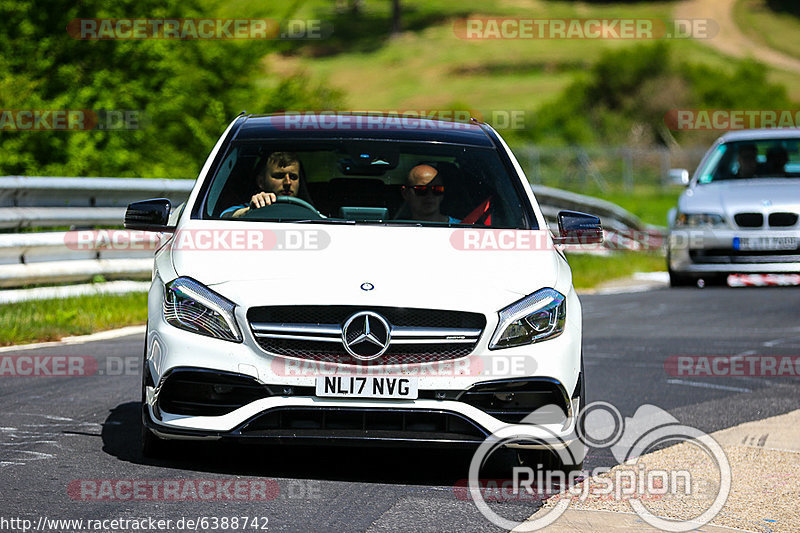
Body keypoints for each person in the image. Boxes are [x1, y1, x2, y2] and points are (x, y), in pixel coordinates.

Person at [222, 152, 312, 218]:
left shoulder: (313, 212)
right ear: (261, 182)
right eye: (279, 176)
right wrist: (251, 210)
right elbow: (225, 216)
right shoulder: (251, 206)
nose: (288, 182)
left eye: (293, 177)